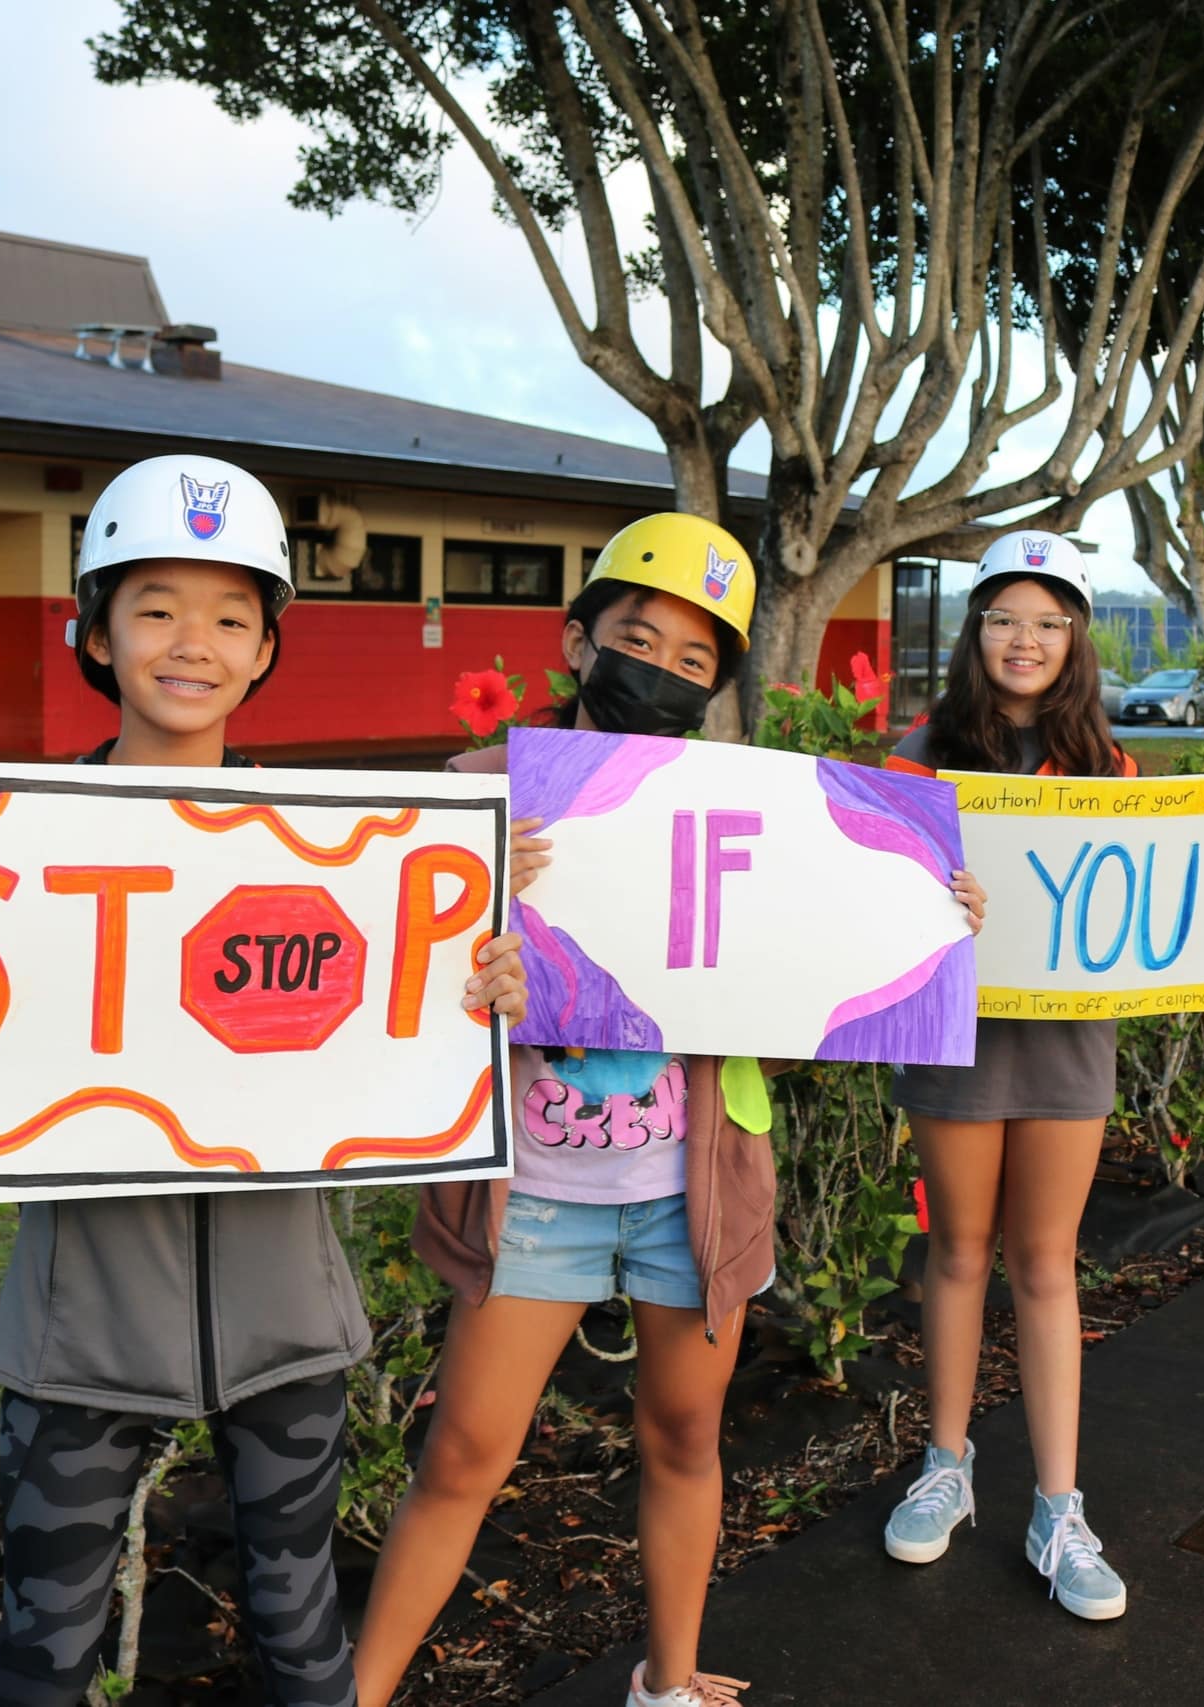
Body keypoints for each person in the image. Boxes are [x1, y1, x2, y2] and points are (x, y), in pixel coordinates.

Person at [0, 456, 532, 1707]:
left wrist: (483, 990)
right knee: (40, 1657)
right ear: (92, 630)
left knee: (303, 1638)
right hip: (81, 1331)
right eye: (155, 608)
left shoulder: (352, 852)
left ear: (263, 653)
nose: (192, 643)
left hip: (288, 1322)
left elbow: (407, 1023)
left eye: (231, 617)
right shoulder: (5, 844)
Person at [358, 516, 950, 1707]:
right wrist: (468, 902)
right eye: (639, 639)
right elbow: (388, 984)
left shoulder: (753, 815)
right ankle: (357, 1696)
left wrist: (926, 918)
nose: (664, 673)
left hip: (691, 1192)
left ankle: (667, 1681)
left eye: (697, 662)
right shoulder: (476, 795)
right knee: (467, 1451)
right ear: (578, 641)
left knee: (685, 1439)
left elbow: (784, 1031)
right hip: (532, 1195)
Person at [875, 530, 1204, 1620]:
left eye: (1050, 622)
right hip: (957, 1032)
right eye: (1005, 619)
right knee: (960, 1251)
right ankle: (947, 1465)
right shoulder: (915, 755)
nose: (1026, 640)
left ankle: (1058, 1507)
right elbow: (867, 902)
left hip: (1070, 1039)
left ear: (1076, 641)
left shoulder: (1114, 769)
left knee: (1048, 1262)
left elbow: (1182, 892)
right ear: (976, 633)